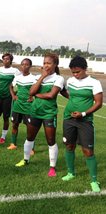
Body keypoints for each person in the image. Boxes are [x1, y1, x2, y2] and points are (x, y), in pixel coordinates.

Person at [15, 53, 64, 178]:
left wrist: (36, 95)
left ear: (55, 65)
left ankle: (52, 167)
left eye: (49, 63)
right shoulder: (38, 77)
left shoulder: (59, 79)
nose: (46, 65)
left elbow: (51, 95)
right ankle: (25, 160)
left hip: (49, 113)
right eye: (44, 63)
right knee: (29, 137)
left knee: (51, 140)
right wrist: (42, 77)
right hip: (35, 111)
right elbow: (31, 92)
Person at [61, 56, 103, 192]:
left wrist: (83, 113)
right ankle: (70, 173)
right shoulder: (71, 80)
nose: (75, 75)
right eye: (73, 72)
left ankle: (94, 180)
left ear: (85, 69)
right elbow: (70, 95)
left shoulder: (94, 82)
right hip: (68, 118)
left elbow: (98, 103)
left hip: (85, 121)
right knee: (69, 146)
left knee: (88, 151)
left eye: (77, 72)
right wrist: (73, 106)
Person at [8, 58, 36, 152]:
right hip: (17, 105)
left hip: (28, 106)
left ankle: (31, 148)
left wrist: (33, 96)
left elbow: (37, 90)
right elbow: (11, 86)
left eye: (26, 64)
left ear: (30, 66)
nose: (24, 66)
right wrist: (13, 96)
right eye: (22, 64)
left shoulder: (33, 78)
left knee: (30, 127)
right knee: (15, 125)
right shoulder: (17, 77)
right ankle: (13, 143)